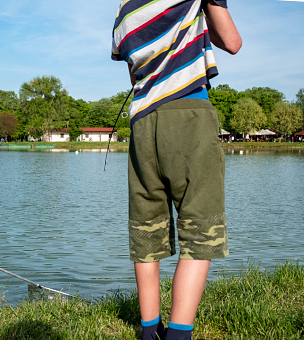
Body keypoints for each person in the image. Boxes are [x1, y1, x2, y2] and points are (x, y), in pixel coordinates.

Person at [111, 1, 241, 339]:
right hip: (188, 112)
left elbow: (135, 73)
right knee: (201, 229)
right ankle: (179, 335)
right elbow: (232, 42)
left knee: (146, 227)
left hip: (141, 121)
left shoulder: (123, 10)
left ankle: (148, 330)